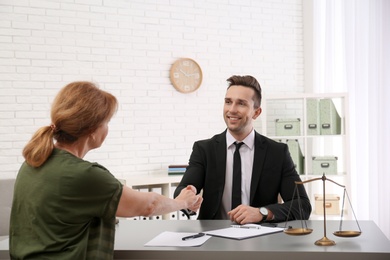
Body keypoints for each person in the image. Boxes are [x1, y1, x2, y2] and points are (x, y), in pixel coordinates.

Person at [9, 81, 202, 259]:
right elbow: (148, 205)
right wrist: (182, 202)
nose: (107, 128)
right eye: (106, 122)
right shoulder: (85, 175)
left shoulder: (32, 162)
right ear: (92, 129)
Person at [174, 75, 311, 224]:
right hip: (213, 238)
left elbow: (302, 205)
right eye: (228, 102)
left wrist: (262, 213)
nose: (232, 110)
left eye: (241, 104)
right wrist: (187, 197)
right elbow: (183, 189)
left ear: (256, 112)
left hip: (261, 239)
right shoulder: (204, 149)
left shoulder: (277, 152)